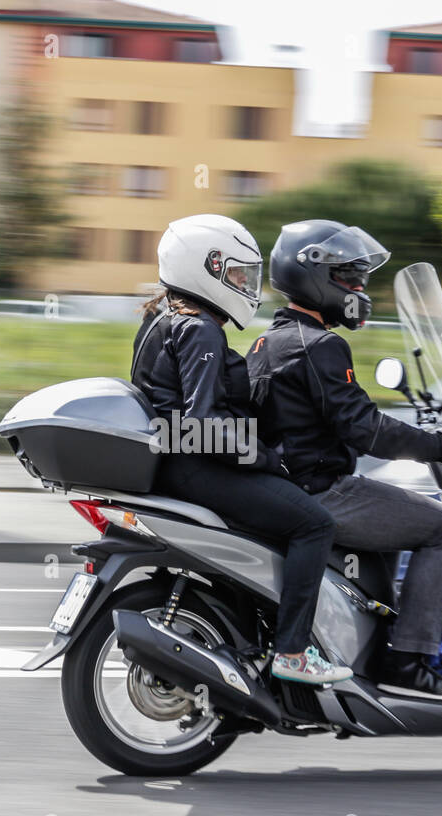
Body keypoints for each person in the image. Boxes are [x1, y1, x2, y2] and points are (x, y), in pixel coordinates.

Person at [247, 219, 442, 699]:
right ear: (315, 275)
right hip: (324, 491)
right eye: (348, 277)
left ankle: (371, 644)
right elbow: (367, 431)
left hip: (287, 487)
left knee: (398, 522)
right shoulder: (322, 345)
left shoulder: (268, 342)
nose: (359, 288)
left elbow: (338, 414)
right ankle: (409, 659)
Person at [130, 214, 348, 685]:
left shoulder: (159, 319)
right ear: (205, 266)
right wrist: (270, 459)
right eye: (235, 274)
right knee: (314, 524)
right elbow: (202, 423)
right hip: (197, 467)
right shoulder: (201, 329)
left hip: (173, 463)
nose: (244, 285)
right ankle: (292, 652)